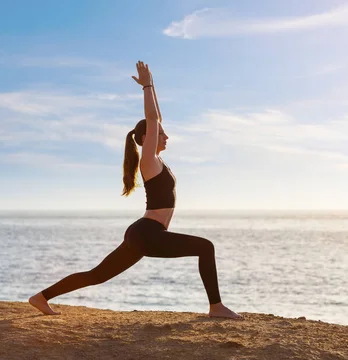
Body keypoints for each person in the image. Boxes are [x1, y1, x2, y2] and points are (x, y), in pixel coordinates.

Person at [29, 61, 243, 319]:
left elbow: (157, 119)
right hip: (148, 233)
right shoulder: (148, 160)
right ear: (146, 139)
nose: (165, 136)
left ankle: (40, 297)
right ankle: (216, 307)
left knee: (97, 275)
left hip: (143, 233)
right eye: (160, 134)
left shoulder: (157, 162)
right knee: (205, 247)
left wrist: (152, 87)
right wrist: (147, 86)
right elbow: (153, 120)